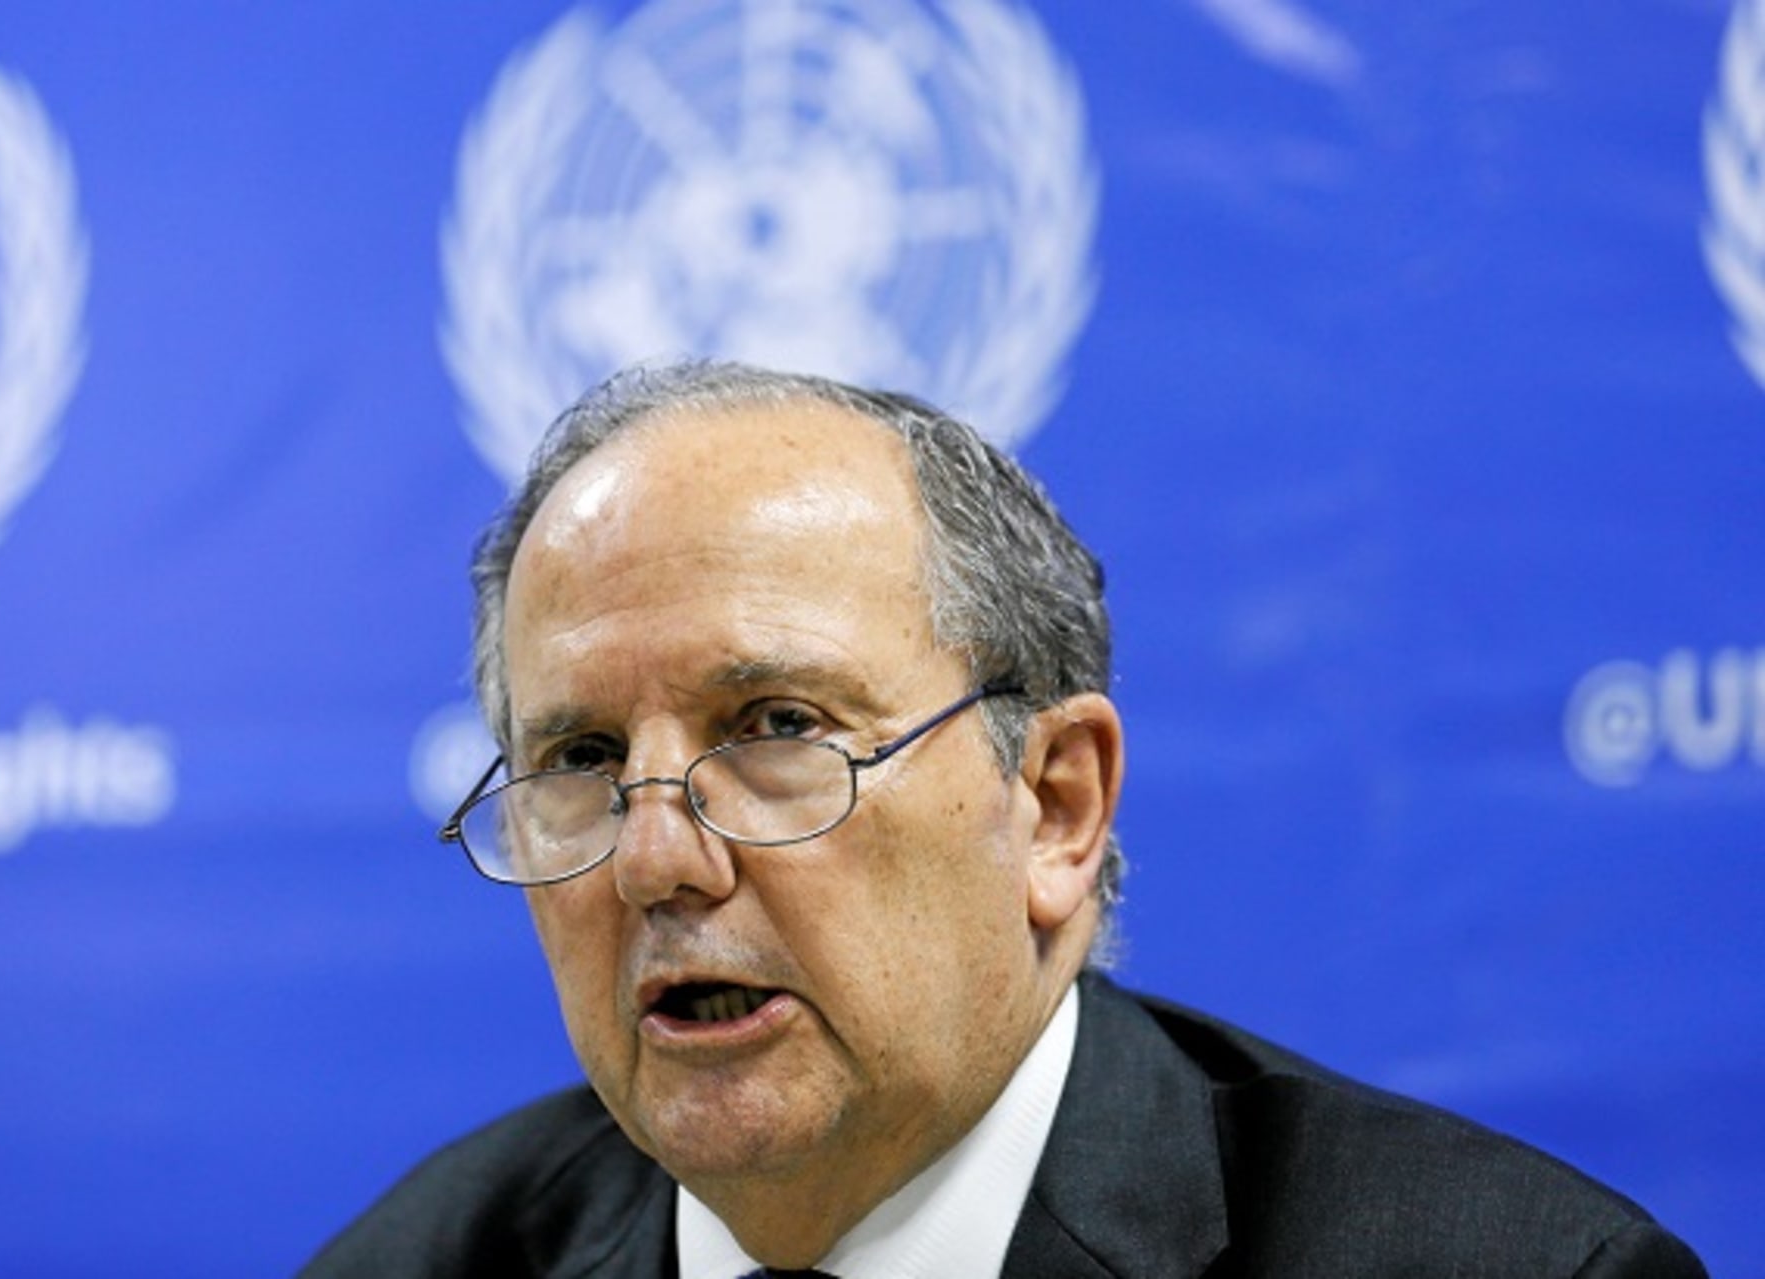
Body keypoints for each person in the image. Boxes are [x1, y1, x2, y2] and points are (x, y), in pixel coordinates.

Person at [300, 360, 1705, 1278]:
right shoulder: (418, 1263)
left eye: (778, 729)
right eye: (583, 756)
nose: (657, 857)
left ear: (1054, 808)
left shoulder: (1508, 1268)